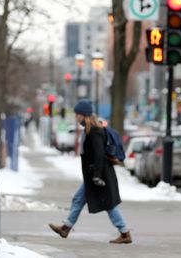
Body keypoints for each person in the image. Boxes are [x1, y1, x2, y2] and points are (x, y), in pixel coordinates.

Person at [48, 100, 132, 244]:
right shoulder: (90, 130)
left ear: (84, 115)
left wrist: (97, 176)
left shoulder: (95, 131)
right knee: (79, 199)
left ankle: (124, 233)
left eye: (77, 114)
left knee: (109, 205)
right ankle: (66, 228)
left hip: (99, 175)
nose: (75, 117)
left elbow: (99, 154)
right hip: (94, 174)